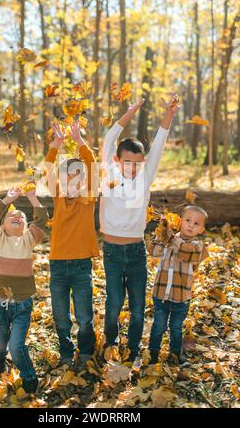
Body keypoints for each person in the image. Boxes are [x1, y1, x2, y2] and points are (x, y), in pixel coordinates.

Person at [100, 94, 179, 364]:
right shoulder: (108, 174)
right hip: (111, 252)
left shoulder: (145, 176)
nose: (132, 167)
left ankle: (133, 349)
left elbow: (158, 145)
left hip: (135, 252)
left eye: (137, 162)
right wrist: (130, 111)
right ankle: (110, 342)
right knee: (113, 306)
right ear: (117, 161)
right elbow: (110, 137)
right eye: (127, 162)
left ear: (142, 163)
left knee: (136, 308)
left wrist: (168, 114)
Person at [45, 120, 99, 370]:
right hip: (57, 267)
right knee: (61, 317)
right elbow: (47, 170)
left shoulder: (88, 198)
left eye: (78, 178)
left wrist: (80, 143)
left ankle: (86, 351)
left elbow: (94, 168)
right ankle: (66, 352)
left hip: (80, 267)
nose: (72, 183)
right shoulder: (56, 196)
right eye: (68, 178)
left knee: (85, 316)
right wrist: (56, 146)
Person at [0, 186, 48, 393]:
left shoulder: (28, 239)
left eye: (21, 215)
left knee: (16, 347)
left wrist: (32, 198)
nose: (17, 215)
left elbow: (42, 220)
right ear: (2, 225)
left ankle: (29, 377)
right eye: (12, 214)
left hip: (22, 305)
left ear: (26, 226)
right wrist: (7, 199)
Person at [148, 205, 209, 367]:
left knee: (175, 328)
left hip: (181, 299)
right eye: (188, 220)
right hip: (161, 295)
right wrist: (161, 232)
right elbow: (153, 251)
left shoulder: (197, 246)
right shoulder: (169, 239)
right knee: (158, 326)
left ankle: (176, 354)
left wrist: (171, 236)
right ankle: (152, 353)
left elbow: (184, 250)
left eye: (196, 224)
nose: (190, 225)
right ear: (180, 222)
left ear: (201, 229)